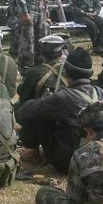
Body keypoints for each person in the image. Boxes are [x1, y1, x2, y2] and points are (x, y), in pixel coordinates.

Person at [17, 47, 103, 174]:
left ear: (66, 71)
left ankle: (34, 153)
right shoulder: (100, 92)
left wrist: (44, 100)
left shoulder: (63, 97)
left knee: (41, 115)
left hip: (68, 163)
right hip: (97, 158)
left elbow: (24, 111)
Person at [15, 35, 68, 163]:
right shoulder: (70, 69)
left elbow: (24, 98)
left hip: (42, 118)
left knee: (19, 107)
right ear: (61, 53)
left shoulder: (35, 72)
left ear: (42, 53)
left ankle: (35, 152)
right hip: (66, 116)